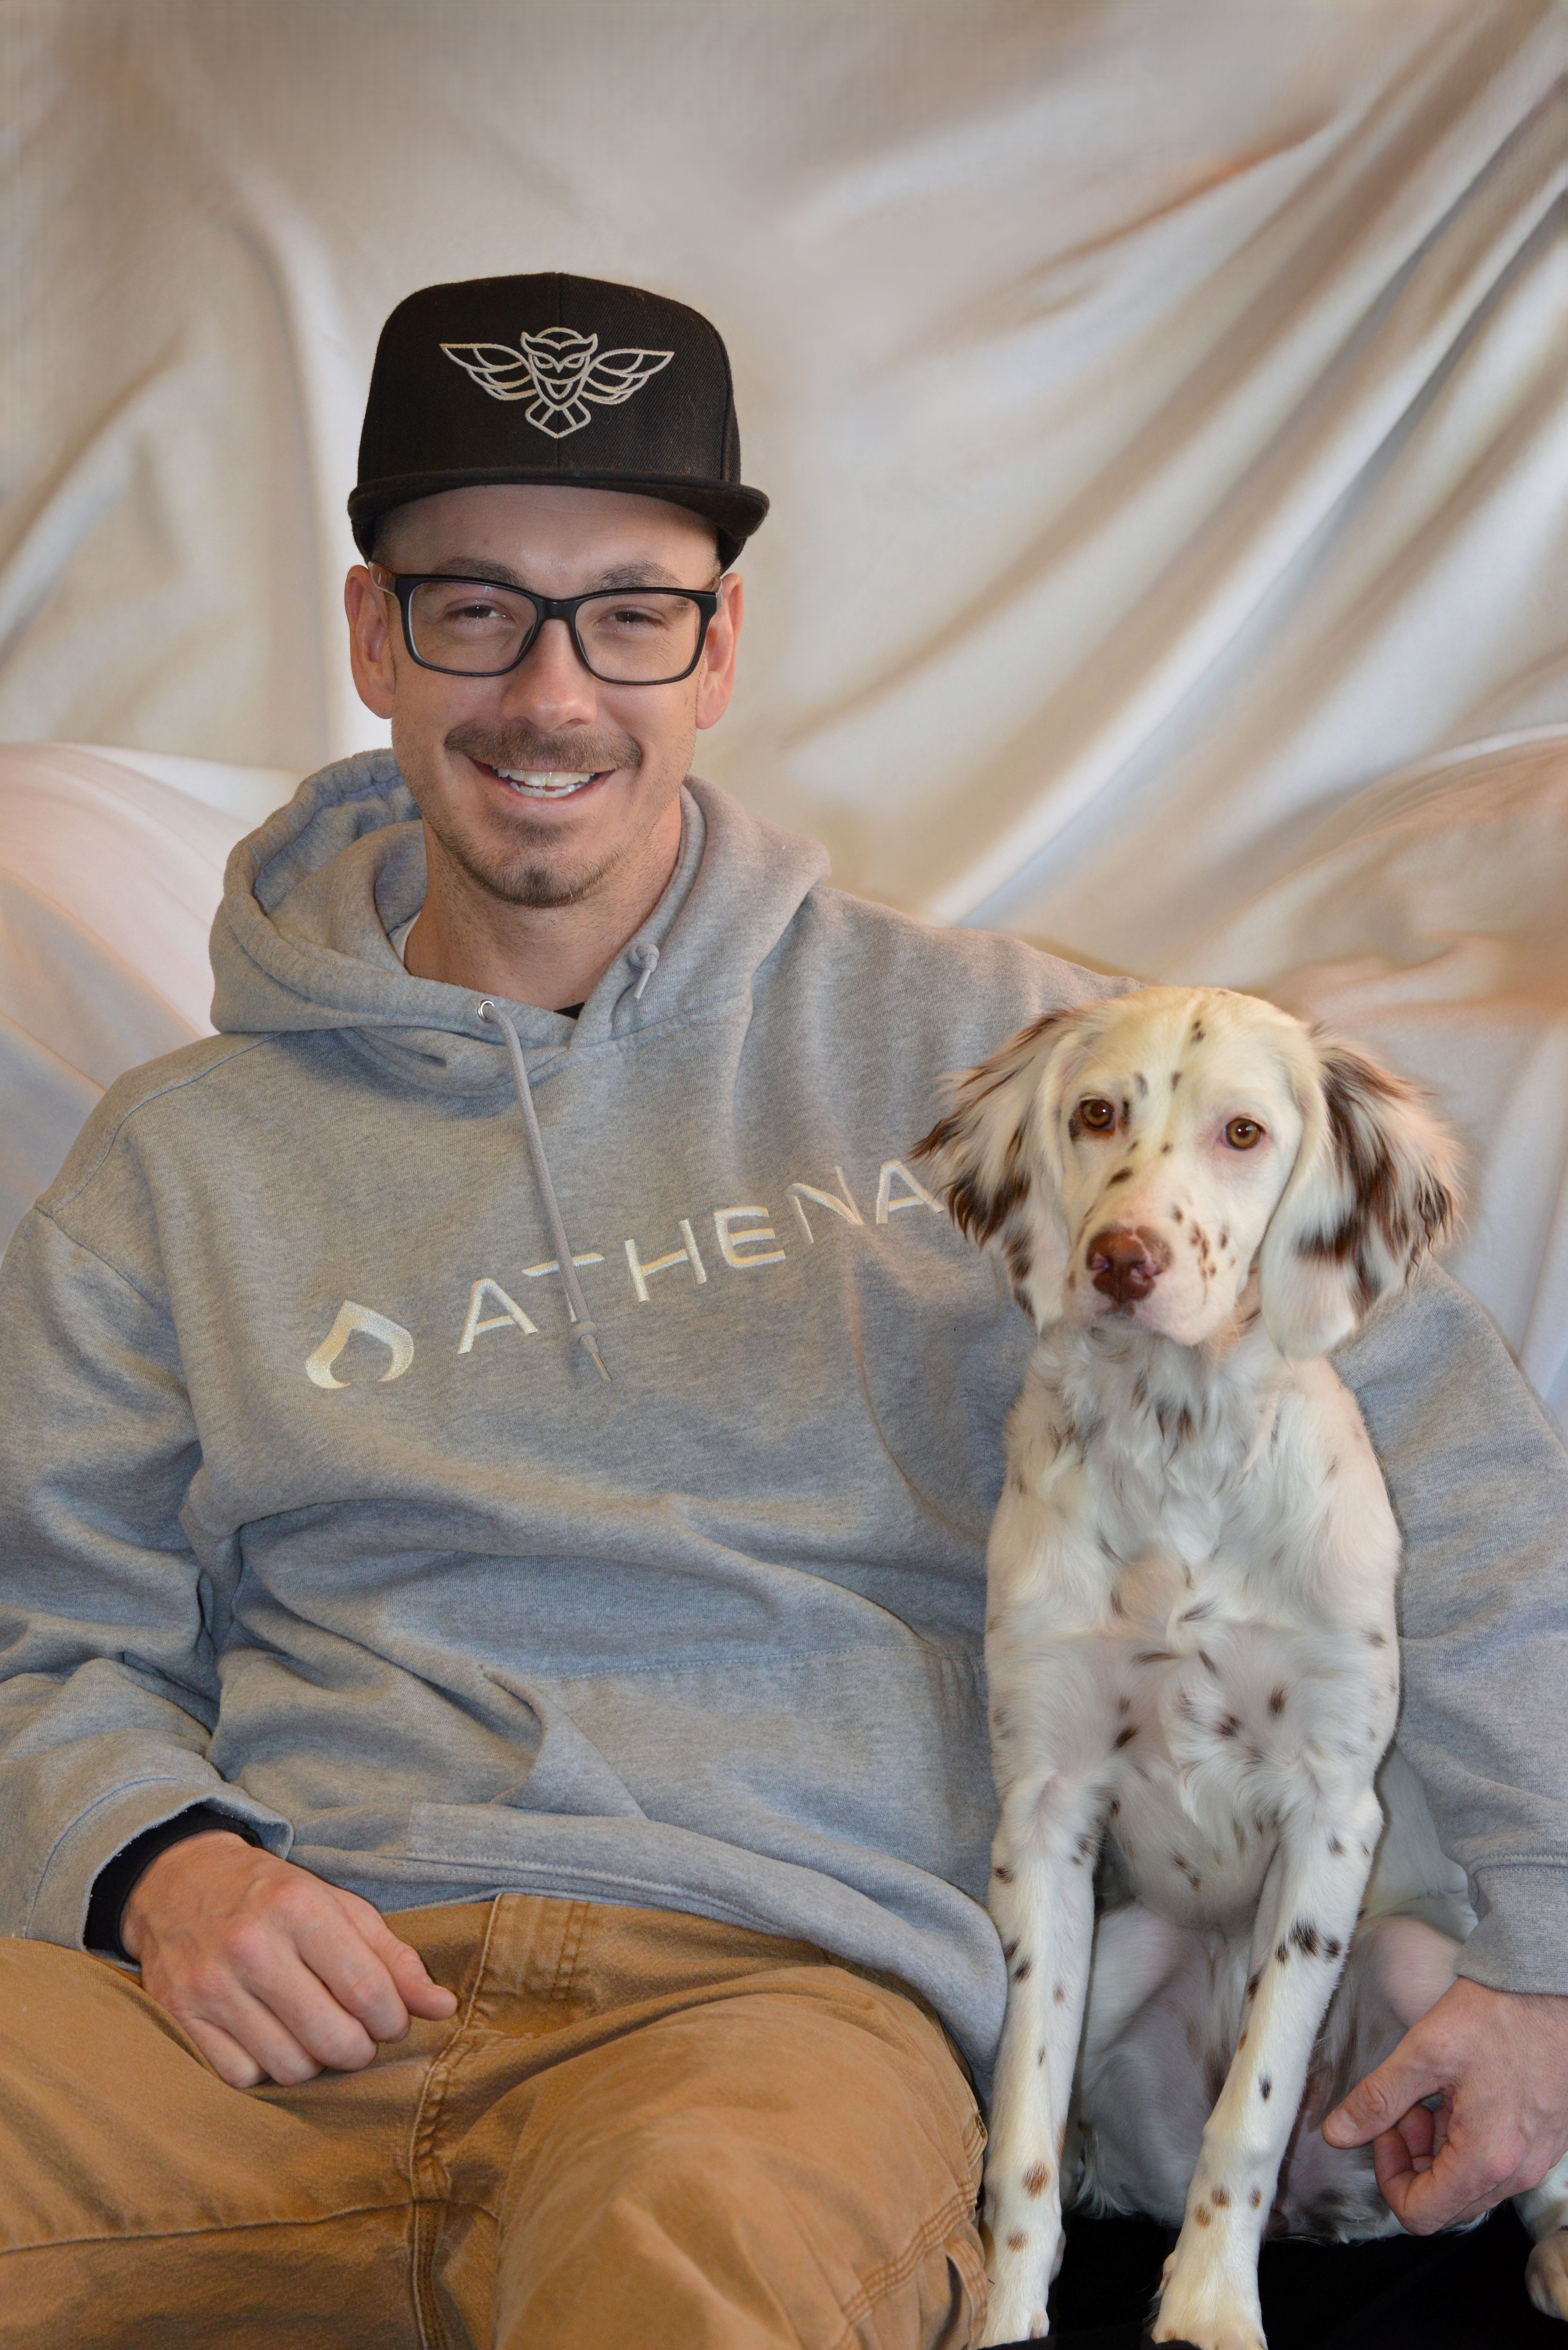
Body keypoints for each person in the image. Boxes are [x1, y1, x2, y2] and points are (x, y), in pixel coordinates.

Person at [0, 271, 1563, 2350]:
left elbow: (1435, 1450)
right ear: (372, 632)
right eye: (474, 604)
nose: (549, 691)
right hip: (271, 1995)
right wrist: (156, 1865)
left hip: (780, 2015)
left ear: (719, 642)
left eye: (628, 610)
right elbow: (47, 1629)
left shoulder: (1017, 1064)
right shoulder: (168, 1160)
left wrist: (1547, 1964)